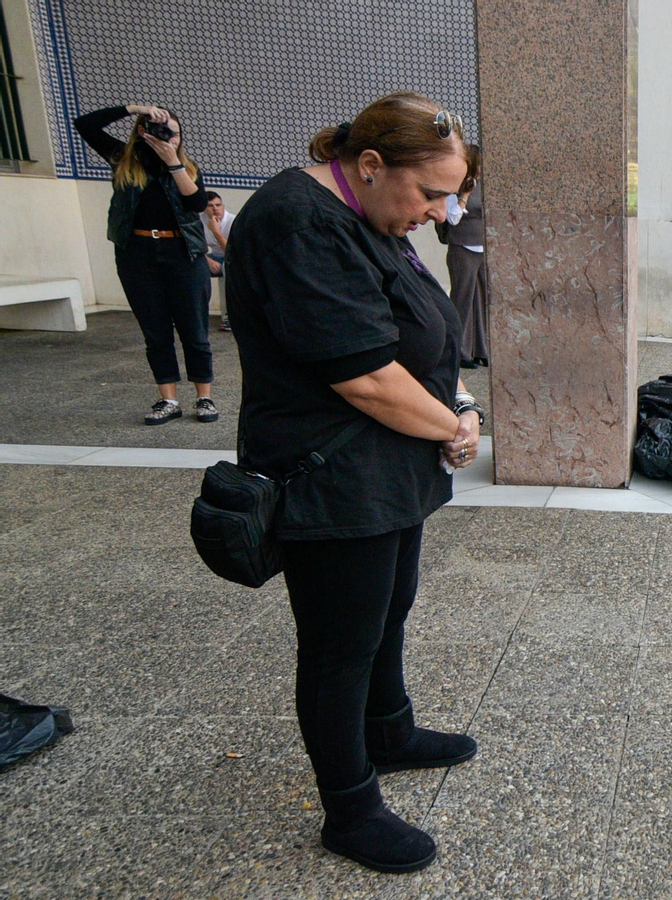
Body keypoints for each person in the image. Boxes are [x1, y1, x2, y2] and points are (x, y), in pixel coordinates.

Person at [227, 92, 481, 874]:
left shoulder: (374, 213)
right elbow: (366, 377)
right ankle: (350, 808)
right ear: (368, 166)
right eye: (430, 194)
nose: (441, 214)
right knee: (340, 645)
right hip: (330, 474)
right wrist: (455, 427)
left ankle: (390, 731)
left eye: (450, 196)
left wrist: (457, 402)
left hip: (388, 469)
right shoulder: (297, 221)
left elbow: (419, 333)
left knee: (389, 608)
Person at [74, 103, 218, 425]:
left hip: (183, 253)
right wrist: (133, 108)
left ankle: (204, 397)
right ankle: (169, 400)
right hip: (136, 253)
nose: (168, 137)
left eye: (174, 133)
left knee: (194, 329)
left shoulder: (187, 167)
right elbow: (85, 124)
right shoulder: (123, 160)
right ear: (143, 132)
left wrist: (173, 163)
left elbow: (196, 204)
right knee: (155, 331)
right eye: (160, 131)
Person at [438, 144, 488, 368]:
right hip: (462, 248)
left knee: (483, 299)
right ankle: (458, 351)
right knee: (462, 300)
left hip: (484, 249)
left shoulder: (486, 186)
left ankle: (481, 349)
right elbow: (452, 219)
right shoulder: (455, 186)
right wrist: (465, 195)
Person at [199, 192, 235, 332]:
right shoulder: (198, 221)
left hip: (231, 257)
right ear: (204, 208)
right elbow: (194, 245)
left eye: (218, 205)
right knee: (191, 266)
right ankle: (194, 313)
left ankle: (229, 316)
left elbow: (231, 251)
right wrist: (207, 260)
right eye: (210, 206)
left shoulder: (232, 221)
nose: (215, 209)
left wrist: (216, 231)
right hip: (211, 257)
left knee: (228, 267)